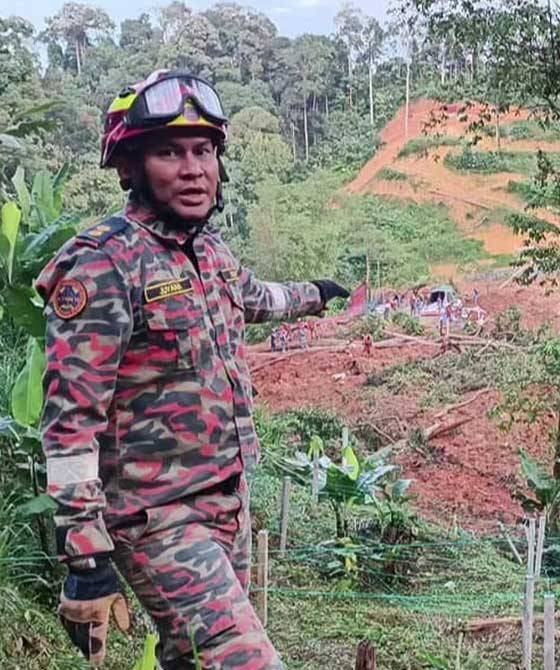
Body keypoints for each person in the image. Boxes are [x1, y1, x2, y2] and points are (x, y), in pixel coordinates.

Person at [35, 70, 350, 670]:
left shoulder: (209, 252)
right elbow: (70, 422)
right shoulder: (103, 266)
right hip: (157, 518)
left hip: (225, 505)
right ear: (129, 167)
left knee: (192, 660)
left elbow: (258, 299)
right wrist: (84, 554)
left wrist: (317, 291)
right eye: (169, 152)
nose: (192, 169)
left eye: (203, 151)